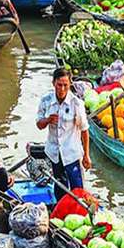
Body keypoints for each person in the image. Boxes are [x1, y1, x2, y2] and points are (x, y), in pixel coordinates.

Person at [36, 67, 90, 202]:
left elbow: (84, 130)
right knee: (60, 185)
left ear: (70, 84)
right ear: (53, 83)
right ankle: (61, 210)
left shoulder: (76, 103)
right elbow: (39, 124)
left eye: (65, 85)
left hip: (72, 153)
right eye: (59, 85)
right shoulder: (46, 100)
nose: (62, 89)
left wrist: (86, 156)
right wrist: (48, 120)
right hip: (54, 152)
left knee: (78, 189)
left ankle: (79, 212)